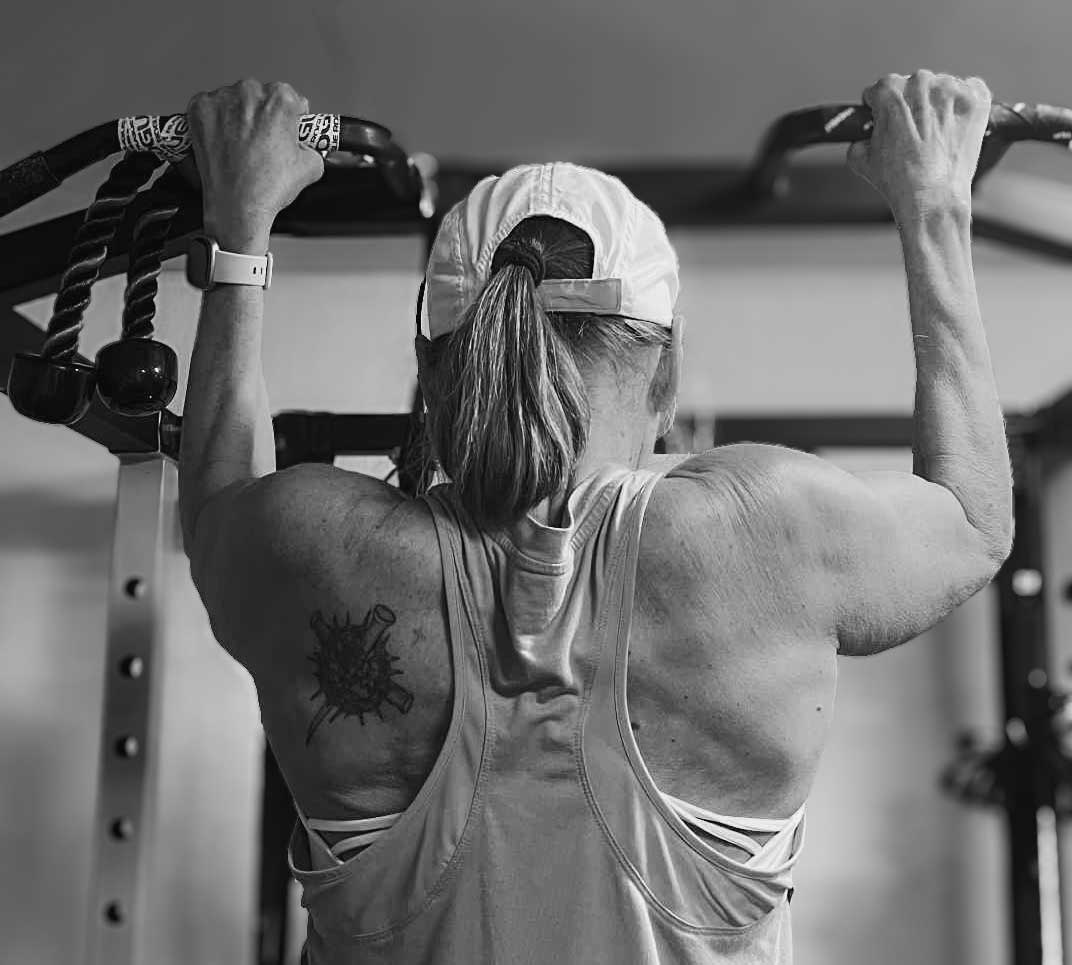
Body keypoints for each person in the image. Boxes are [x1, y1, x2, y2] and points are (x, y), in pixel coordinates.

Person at [178, 71, 1013, 964]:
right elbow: (972, 516)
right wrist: (933, 205)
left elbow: (218, 501)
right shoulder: (765, 532)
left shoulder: (317, 549)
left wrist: (240, 231)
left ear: (430, 369)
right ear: (669, 371)